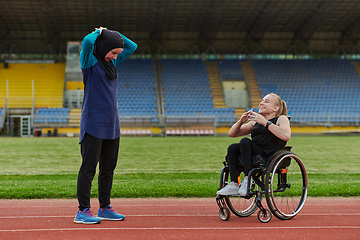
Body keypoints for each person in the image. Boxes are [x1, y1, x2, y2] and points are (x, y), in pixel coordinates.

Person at [74, 27, 137, 224]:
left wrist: (115, 33)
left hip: (112, 125)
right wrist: (99, 33)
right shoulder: (90, 64)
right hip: (93, 124)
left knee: (108, 169)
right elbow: (86, 42)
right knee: (89, 168)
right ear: (104, 47)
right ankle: (83, 211)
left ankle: (104, 208)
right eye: (113, 52)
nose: (117, 57)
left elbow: (132, 46)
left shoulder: (111, 65)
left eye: (118, 53)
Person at [216, 93, 291, 197]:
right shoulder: (255, 122)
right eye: (262, 100)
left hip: (269, 154)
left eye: (266, 101)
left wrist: (265, 122)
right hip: (255, 151)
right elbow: (232, 134)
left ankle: (248, 180)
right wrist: (241, 121)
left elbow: (286, 135)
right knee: (233, 148)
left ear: (275, 108)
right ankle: (234, 183)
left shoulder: (281, 119)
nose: (261, 103)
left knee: (245, 141)